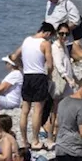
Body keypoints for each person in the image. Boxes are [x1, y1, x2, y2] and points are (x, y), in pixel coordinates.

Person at [12, 23, 55, 151]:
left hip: (27, 76)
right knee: (38, 110)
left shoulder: (26, 40)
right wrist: (49, 76)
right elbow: (50, 64)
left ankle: (24, 141)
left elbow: (14, 57)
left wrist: (22, 66)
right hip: (39, 76)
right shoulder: (45, 44)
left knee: (25, 110)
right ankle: (35, 140)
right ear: (47, 33)